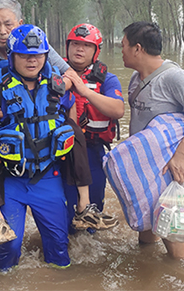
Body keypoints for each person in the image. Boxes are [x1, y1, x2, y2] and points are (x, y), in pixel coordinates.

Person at [0, 0, 112, 243]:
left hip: (34, 108)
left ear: (19, 23)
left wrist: (52, 91)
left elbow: (69, 77)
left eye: (8, 24)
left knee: (73, 132)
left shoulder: (33, 40)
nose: (2, 31)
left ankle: (83, 206)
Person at [0, 24, 74, 270]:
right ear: (12, 56)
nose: (32, 61)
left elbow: (71, 108)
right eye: (24, 55)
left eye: (37, 55)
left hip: (47, 176)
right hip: (11, 179)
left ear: (46, 56)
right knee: (10, 247)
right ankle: (0, 280)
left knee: (59, 249)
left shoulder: (57, 87)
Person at [121, 21, 184, 258]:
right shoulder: (136, 78)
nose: (120, 50)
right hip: (145, 167)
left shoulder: (174, 77)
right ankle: (149, 269)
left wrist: (181, 155)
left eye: (123, 45)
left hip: (166, 167)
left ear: (137, 48)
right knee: (146, 225)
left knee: (170, 230)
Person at [62, 23, 123, 233]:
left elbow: (118, 110)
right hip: (58, 152)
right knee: (63, 208)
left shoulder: (107, 79)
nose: (79, 49)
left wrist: (84, 91)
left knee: (93, 205)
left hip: (91, 150)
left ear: (95, 51)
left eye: (86, 46)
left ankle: (89, 250)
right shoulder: (52, 73)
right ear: (67, 47)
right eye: (76, 44)